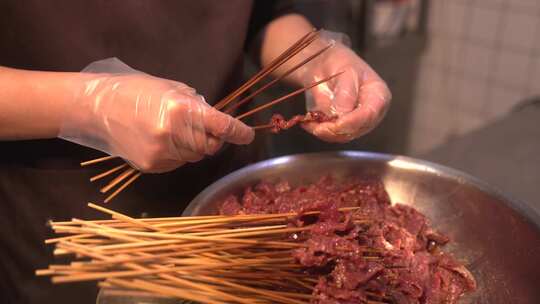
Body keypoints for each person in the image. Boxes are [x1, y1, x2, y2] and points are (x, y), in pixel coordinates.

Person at [0, 1, 391, 303]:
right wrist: (88, 104)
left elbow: (264, 13)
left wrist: (317, 57)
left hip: (238, 212)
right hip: (74, 223)